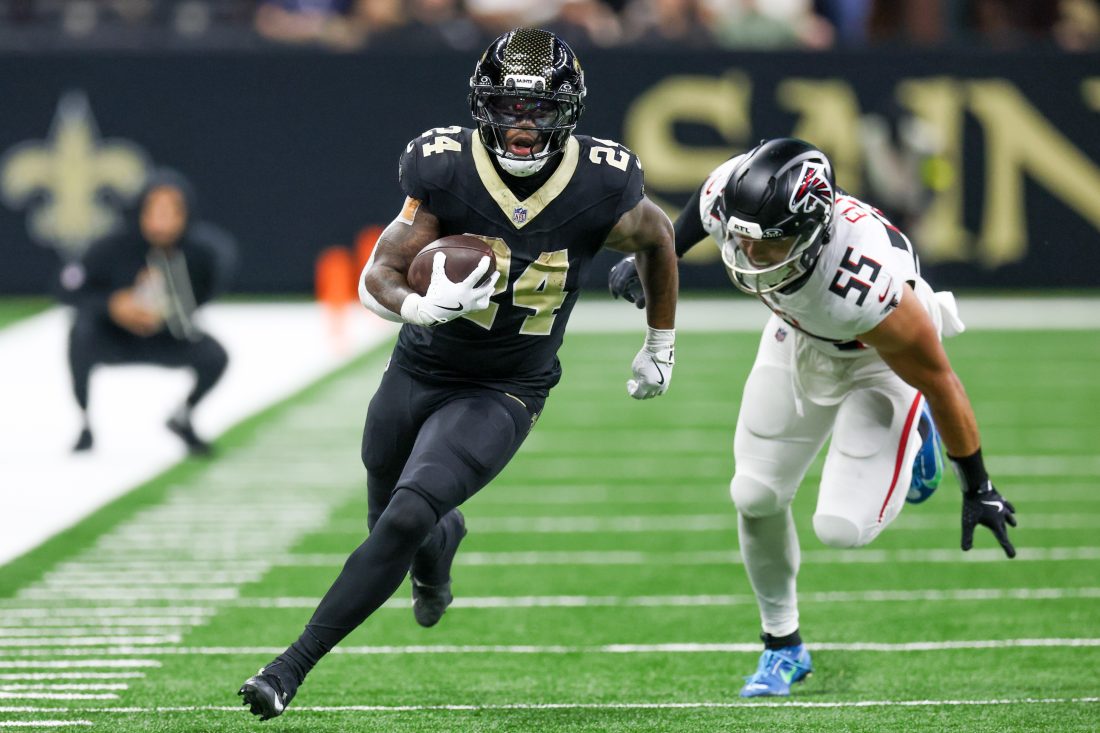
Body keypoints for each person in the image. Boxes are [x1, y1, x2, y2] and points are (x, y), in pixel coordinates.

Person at [238, 27, 678, 720]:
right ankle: (439, 551)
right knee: (391, 512)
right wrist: (420, 303)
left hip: (506, 385)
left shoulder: (602, 179)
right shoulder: (444, 168)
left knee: (408, 512)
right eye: (508, 106)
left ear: (570, 111)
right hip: (419, 365)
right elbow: (376, 273)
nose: (523, 125)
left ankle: (289, 667)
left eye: (537, 110)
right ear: (482, 104)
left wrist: (661, 337)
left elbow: (657, 237)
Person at [608, 138, 1016, 697]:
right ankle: (783, 645)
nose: (751, 255)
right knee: (753, 494)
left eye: (769, 245)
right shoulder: (737, 196)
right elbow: (696, 217)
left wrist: (979, 485)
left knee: (842, 529)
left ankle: (913, 427)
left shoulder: (863, 281)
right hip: (797, 338)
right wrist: (661, 257)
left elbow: (941, 376)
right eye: (744, 238)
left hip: (879, 363)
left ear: (813, 231)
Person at [63, 168, 237, 456]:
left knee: (215, 355)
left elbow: (208, 289)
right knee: (80, 334)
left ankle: (183, 416)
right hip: (114, 336)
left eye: (172, 210)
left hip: (165, 335)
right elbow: (68, 287)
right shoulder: (110, 248)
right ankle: (84, 422)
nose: (162, 219)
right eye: (155, 209)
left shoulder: (202, 253)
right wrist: (114, 304)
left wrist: (170, 308)